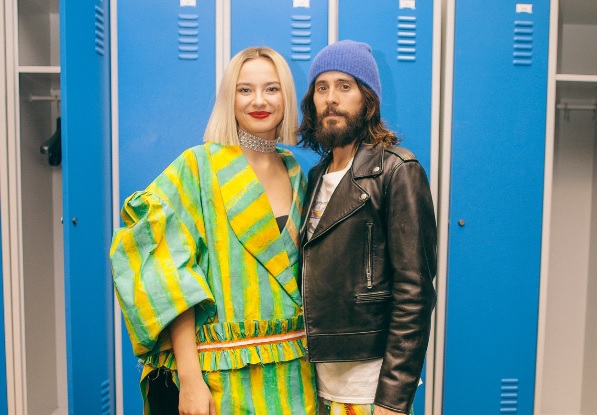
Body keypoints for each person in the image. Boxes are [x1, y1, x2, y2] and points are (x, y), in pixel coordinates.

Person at [110, 46, 317, 415]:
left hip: (292, 378)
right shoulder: (198, 166)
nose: (259, 101)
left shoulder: (296, 171)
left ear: (286, 96)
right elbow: (167, 273)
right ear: (229, 99)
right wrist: (190, 379)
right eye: (244, 89)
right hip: (218, 377)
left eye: (271, 89)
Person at [298, 40, 437, 415]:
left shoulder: (397, 170)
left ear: (368, 100)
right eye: (322, 88)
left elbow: (415, 291)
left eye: (344, 86)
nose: (331, 98)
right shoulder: (315, 177)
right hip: (319, 378)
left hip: (369, 385)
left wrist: (394, 398)